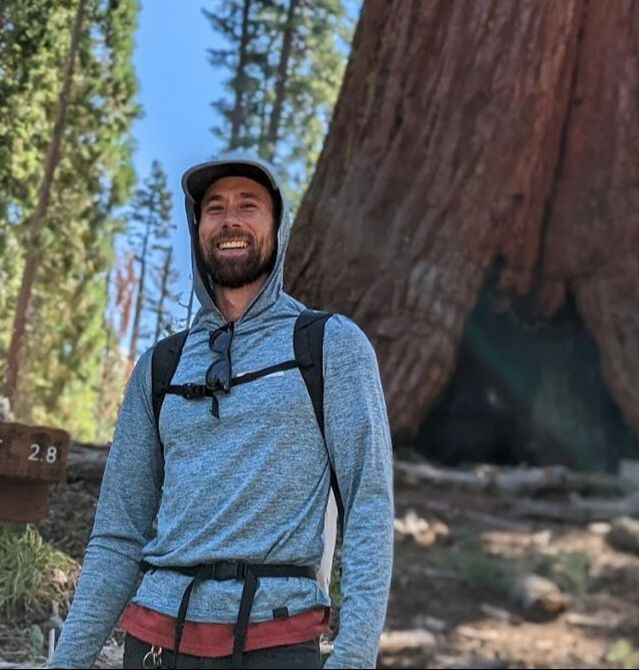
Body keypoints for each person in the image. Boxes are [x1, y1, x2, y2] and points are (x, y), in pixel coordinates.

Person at [49, 153, 394, 669]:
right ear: (199, 230)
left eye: (248, 205)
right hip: (158, 642)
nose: (230, 219)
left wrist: (354, 657)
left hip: (277, 639)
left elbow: (369, 507)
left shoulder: (329, 347)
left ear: (278, 228)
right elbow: (119, 534)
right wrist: (66, 662)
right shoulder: (159, 367)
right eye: (215, 208)